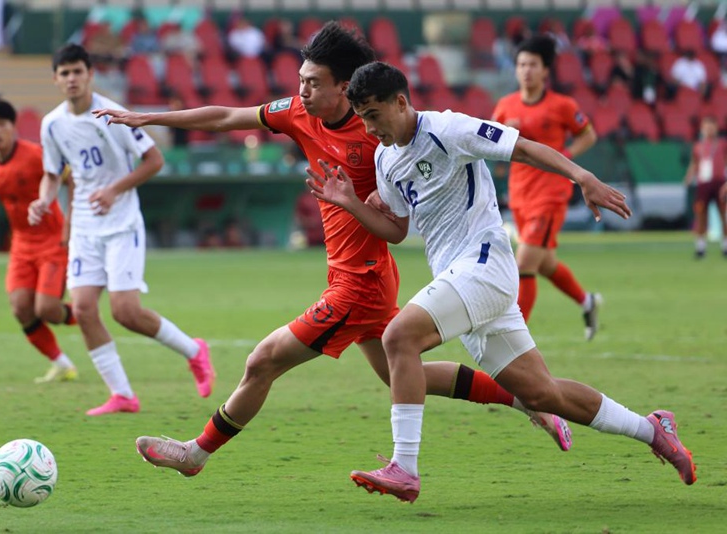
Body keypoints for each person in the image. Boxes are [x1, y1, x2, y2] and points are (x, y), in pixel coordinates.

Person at [92, 22, 572, 476]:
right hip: (358, 275)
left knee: (263, 360)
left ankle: (195, 452)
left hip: (361, 281)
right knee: (403, 375)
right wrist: (150, 116)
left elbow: (420, 174)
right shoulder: (300, 114)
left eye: (313, 83)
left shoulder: (378, 131)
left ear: (346, 88)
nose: (302, 91)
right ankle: (525, 399)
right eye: (300, 80)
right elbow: (227, 115)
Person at [308, 61, 696, 503]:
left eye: (374, 114)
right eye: (361, 117)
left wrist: (583, 177)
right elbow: (397, 229)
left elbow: (524, 148)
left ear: (401, 102)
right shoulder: (385, 157)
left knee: (399, 337)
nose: (369, 126)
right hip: (460, 277)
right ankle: (654, 429)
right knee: (541, 393)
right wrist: (352, 203)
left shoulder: (449, 129)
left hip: (484, 265)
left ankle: (405, 467)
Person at [28, 44, 215, 416]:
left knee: (125, 311)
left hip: (122, 223)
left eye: (77, 71)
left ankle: (194, 351)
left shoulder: (111, 115)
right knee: (82, 309)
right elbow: (52, 173)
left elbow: (154, 160)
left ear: (90, 74)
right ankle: (123, 395)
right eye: (64, 73)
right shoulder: (51, 124)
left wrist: (114, 190)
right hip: (84, 227)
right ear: (55, 79)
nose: (71, 79)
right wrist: (43, 199)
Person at [492, 36, 601, 339]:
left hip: (551, 195)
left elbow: (588, 135)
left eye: (532, 65)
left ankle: (514, 336)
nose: (526, 70)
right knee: (545, 263)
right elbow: (487, 141)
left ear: (545, 71)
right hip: (520, 194)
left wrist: (565, 157)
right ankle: (586, 300)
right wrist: (504, 133)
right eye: (521, 64)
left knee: (524, 262)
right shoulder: (505, 107)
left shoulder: (562, 105)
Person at [0, 97, 79, 383]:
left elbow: (71, 179)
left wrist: (70, 219)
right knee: (21, 308)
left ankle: (84, 313)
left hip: (52, 239)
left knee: (46, 309)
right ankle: (62, 364)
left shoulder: (36, 155)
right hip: (21, 244)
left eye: (1, 124)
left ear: (13, 126)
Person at [683, 115, 727, 258]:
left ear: (716, 128)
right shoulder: (698, 146)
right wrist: (689, 177)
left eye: (711, 126)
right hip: (703, 184)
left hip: (720, 183)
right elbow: (695, 163)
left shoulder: (722, 144)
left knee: (724, 215)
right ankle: (700, 247)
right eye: (706, 126)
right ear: (702, 128)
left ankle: (725, 245)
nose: (709, 129)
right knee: (701, 215)